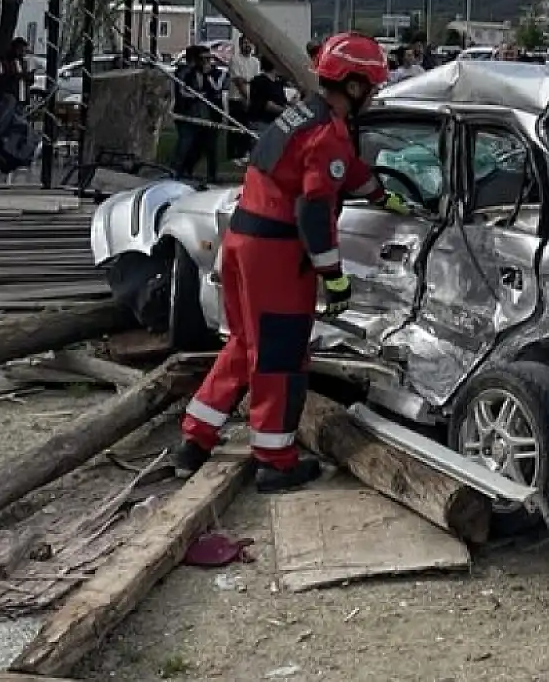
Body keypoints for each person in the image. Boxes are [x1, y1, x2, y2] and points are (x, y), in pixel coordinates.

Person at [174, 33, 412, 492]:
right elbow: (314, 209)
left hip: (242, 239)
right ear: (357, 86)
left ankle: (195, 439)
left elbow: (341, 170)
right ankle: (276, 462)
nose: (377, 94)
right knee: (280, 356)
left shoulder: (302, 115)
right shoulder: (327, 132)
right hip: (277, 255)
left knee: (246, 344)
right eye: (375, 86)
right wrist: (334, 277)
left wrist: (382, 194)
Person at [172, 45, 226, 185]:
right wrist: (196, 96)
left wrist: (208, 76)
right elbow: (182, 92)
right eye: (204, 59)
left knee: (208, 147)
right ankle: (176, 173)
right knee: (185, 145)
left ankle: (211, 174)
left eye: (209, 58)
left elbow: (216, 90)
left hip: (208, 117)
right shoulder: (185, 72)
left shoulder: (212, 73)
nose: (208, 62)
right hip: (189, 116)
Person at [226, 40, 260, 162]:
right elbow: (238, 81)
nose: (247, 45)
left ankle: (244, 152)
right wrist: (246, 95)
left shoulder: (255, 62)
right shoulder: (235, 59)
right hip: (236, 98)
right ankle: (232, 154)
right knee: (235, 127)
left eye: (250, 43)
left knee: (247, 127)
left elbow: (255, 81)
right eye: (245, 43)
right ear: (240, 44)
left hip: (250, 99)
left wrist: (250, 98)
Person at [247, 55, 290, 132]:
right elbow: (267, 105)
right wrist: (286, 110)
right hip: (262, 122)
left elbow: (282, 101)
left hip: (274, 123)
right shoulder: (259, 81)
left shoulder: (278, 83)